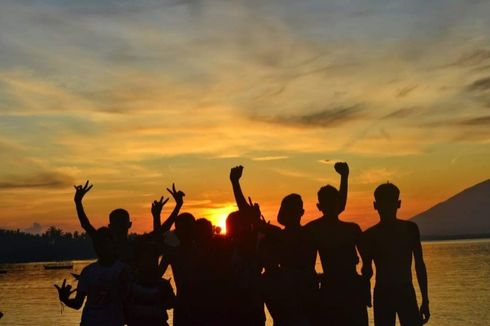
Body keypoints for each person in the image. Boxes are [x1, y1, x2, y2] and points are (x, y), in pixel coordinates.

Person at [305, 162, 368, 326]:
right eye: (329, 203)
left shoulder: (351, 229)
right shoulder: (314, 229)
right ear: (320, 206)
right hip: (332, 289)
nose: (334, 206)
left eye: (334, 202)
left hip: (350, 288)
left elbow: (367, 261)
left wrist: (364, 279)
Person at [360, 183, 430, 326]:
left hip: (389, 292)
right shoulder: (409, 229)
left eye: (388, 203)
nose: (386, 208)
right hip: (396, 292)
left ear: (375, 205)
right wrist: (425, 299)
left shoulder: (370, 235)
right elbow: (419, 265)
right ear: (398, 204)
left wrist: (425, 300)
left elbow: (367, 271)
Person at [54, 227, 130, 326]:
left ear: (113, 244)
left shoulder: (123, 270)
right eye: (97, 244)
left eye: (104, 243)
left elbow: (128, 301)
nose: (100, 247)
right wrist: (65, 299)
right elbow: (77, 304)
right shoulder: (88, 271)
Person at [126, 235, 175, 326]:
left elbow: (171, 303)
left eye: (152, 258)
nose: (149, 261)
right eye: (145, 258)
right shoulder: (130, 285)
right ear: (138, 260)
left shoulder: (163, 285)